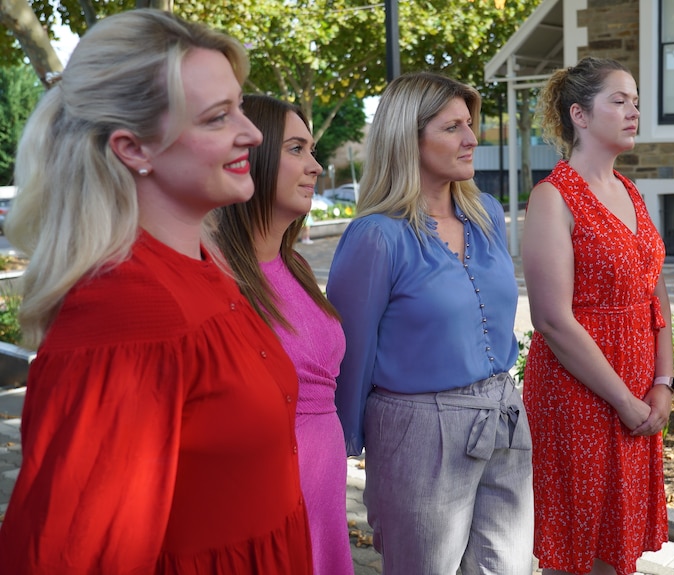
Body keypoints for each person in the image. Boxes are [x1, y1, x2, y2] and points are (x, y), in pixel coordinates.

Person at [0, 10, 312, 574]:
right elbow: (75, 554)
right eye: (218, 117)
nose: (252, 133)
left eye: (239, 107)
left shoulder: (205, 269)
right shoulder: (128, 314)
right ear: (133, 149)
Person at [327, 71, 533, 574]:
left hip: (505, 415)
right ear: (408, 138)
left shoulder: (486, 212)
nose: (471, 139)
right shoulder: (376, 236)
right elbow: (350, 351)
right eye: (452, 128)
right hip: (420, 429)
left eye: (470, 124)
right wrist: (343, 448)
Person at [521, 56, 674, 575]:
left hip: (637, 388)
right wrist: (626, 402)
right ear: (579, 116)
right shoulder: (552, 197)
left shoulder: (632, 191)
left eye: (636, 101)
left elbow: (657, 295)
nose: (634, 111)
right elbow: (552, 321)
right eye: (619, 100)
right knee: (577, 549)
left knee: (616, 542)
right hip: (580, 393)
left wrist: (663, 382)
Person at [215, 94, 353, 575]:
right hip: (262, 509)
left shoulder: (292, 264)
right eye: (296, 149)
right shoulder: (216, 274)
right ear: (249, 155)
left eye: (313, 151)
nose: (315, 166)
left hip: (323, 498)